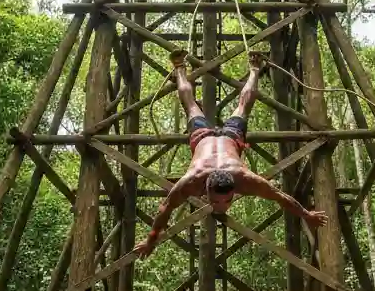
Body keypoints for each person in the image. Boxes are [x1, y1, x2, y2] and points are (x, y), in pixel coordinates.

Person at [135, 50, 328, 257]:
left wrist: (306, 215)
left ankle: (249, 69)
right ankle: (185, 68)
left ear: (234, 187)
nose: (221, 206)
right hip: (228, 137)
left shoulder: (243, 178)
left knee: (196, 107)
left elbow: (281, 197)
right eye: (218, 201)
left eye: (225, 201)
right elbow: (164, 209)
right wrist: (150, 240)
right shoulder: (192, 180)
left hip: (205, 138)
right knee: (226, 107)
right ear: (205, 186)